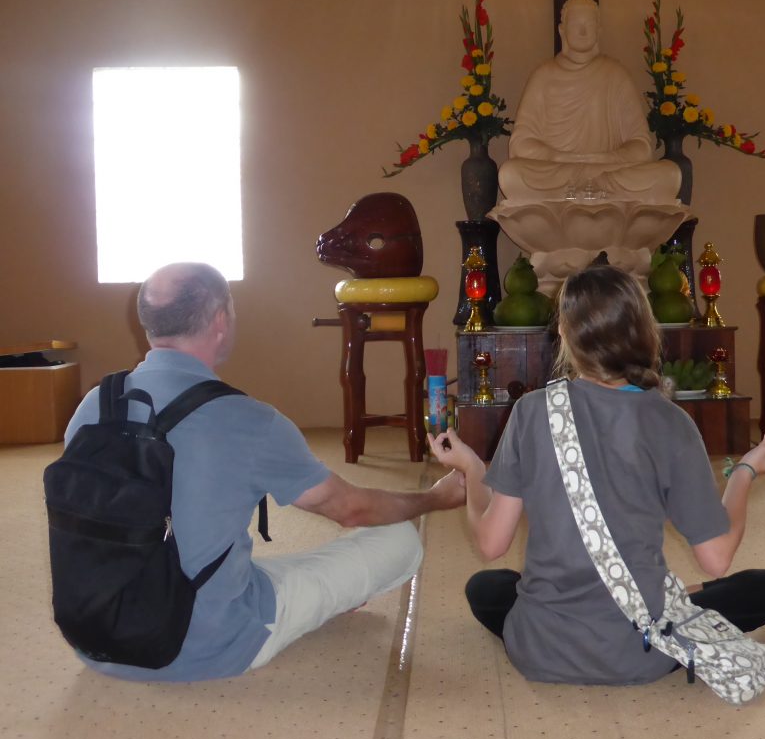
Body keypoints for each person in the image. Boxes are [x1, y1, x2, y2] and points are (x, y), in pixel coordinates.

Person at [63, 262, 465, 681]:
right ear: (221, 320)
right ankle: (313, 603)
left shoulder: (96, 403)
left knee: (250, 563)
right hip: (210, 644)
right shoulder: (246, 419)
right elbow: (351, 510)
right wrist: (436, 498)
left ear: (147, 325)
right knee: (398, 537)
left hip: (99, 637)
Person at [428, 264, 765, 685]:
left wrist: (472, 470)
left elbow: (490, 544)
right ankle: (662, 599)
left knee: (487, 586)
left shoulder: (531, 410)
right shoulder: (671, 422)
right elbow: (717, 557)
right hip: (638, 653)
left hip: (539, 648)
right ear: (645, 332)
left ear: (564, 332)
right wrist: (745, 471)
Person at [497, 0, 681, 204]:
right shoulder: (543, 76)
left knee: (670, 173)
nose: (583, 30)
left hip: (607, 170)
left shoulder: (615, 74)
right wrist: (558, 157)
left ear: (599, 30)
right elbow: (520, 144)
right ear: (562, 30)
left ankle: (591, 188)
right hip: (560, 170)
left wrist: (607, 158)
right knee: (511, 173)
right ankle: (590, 189)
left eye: (590, 24)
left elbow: (642, 146)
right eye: (576, 23)